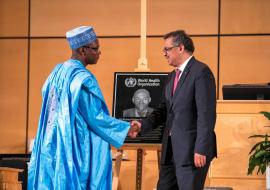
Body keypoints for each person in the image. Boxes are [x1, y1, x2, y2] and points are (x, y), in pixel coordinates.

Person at [28, 26, 139, 190]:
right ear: (82, 50)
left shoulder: (57, 72)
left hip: (53, 143)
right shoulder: (82, 78)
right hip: (75, 146)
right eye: (95, 48)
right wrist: (126, 128)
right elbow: (95, 117)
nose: (99, 52)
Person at [132, 30, 217, 190]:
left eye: (167, 49)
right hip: (170, 151)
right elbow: (163, 111)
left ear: (180, 48)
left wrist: (201, 148)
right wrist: (142, 126)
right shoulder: (171, 76)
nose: (163, 53)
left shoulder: (201, 72)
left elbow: (206, 115)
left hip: (192, 152)